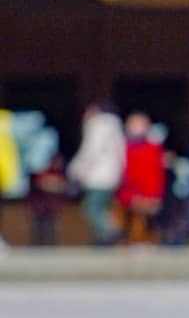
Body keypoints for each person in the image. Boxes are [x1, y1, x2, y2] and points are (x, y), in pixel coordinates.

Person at [67, 101, 125, 245]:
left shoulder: (98, 126)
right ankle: (103, 238)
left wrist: (76, 170)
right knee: (100, 207)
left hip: (99, 176)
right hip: (111, 175)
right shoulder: (114, 127)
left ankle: (110, 232)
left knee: (91, 207)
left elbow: (91, 151)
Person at [116, 111, 166, 245]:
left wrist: (153, 195)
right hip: (126, 191)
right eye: (133, 124)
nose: (136, 128)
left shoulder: (153, 148)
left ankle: (147, 241)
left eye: (140, 125)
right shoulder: (121, 146)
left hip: (147, 192)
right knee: (127, 219)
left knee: (145, 220)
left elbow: (155, 174)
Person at [29, 153, 68, 246]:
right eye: (55, 162)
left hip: (53, 208)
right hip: (40, 208)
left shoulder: (61, 174)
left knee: (51, 229)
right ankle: (36, 247)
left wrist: (52, 184)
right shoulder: (44, 172)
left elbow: (63, 187)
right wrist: (53, 185)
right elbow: (40, 184)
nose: (57, 164)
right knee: (38, 228)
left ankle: (51, 247)